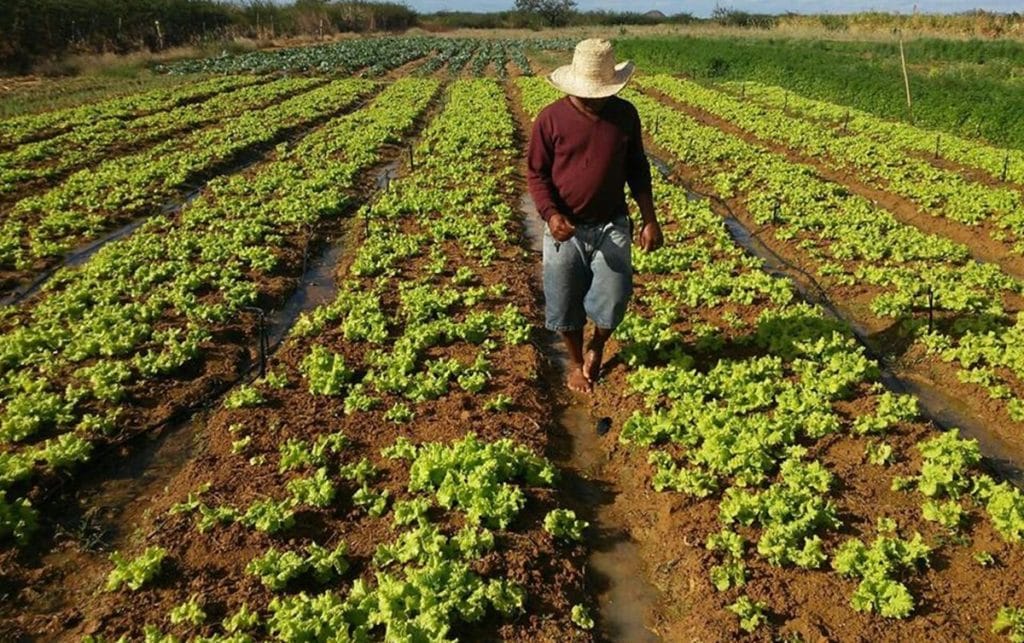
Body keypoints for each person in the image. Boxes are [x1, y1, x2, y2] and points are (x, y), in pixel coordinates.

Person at [527, 38, 663, 394]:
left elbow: (637, 167)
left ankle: (598, 343)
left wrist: (649, 218)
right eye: (591, 92)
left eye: (603, 91)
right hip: (565, 228)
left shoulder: (625, 115)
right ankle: (575, 363)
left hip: (611, 223)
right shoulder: (550, 119)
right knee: (564, 301)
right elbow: (537, 174)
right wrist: (551, 214)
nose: (596, 98)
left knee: (616, 293)